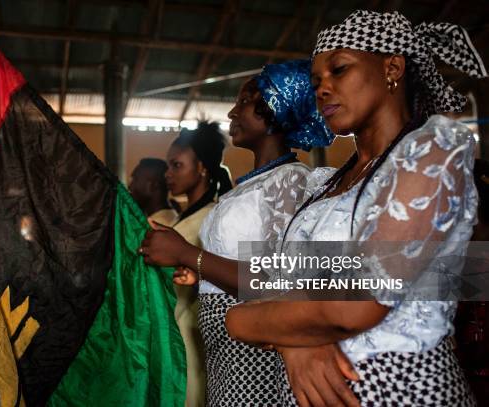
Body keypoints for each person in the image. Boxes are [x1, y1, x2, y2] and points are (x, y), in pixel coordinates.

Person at [224, 10, 487, 406]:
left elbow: (358, 305)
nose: (323, 89)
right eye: (316, 82)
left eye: (339, 70)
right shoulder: (325, 183)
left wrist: (246, 321)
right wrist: (293, 342)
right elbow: (273, 281)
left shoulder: (431, 150)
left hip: (396, 390)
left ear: (392, 68)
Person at [140, 60, 338, 405]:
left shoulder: (289, 183)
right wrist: (200, 272)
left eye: (244, 101)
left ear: (274, 109)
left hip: (255, 352)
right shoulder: (251, 186)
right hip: (224, 347)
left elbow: (279, 280)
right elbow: (241, 264)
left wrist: (188, 254)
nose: (232, 112)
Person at [163, 121, 232, 407]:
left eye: (176, 166)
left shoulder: (213, 219)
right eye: (168, 166)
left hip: (193, 343)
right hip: (172, 338)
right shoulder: (181, 219)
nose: (168, 174)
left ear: (202, 167)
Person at [129, 158, 178, 225]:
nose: (130, 186)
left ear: (152, 186)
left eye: (135, 179)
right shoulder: (168, 218)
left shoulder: (158, 227)